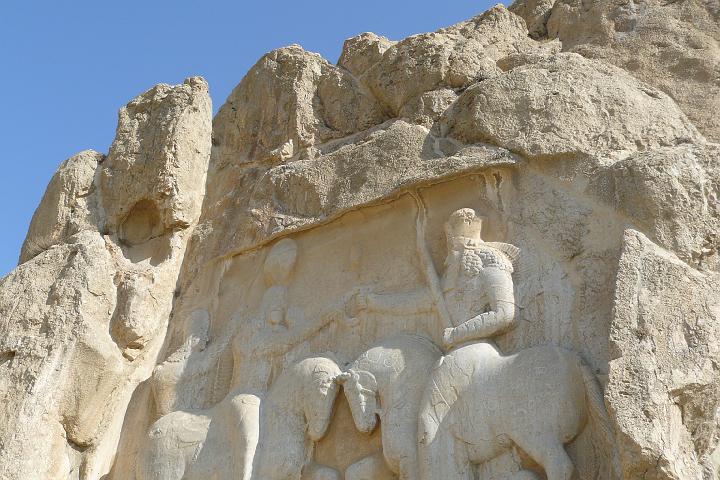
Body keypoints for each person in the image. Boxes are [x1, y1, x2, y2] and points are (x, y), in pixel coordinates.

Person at [346, 207, 519, 351]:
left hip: (478, 351)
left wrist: (457, 334)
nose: (449, 255)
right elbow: (415, 302)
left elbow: (505, 314)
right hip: (458, 353)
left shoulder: (493, 263)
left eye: (453, 246)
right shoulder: (450, 282)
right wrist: (373, 302)